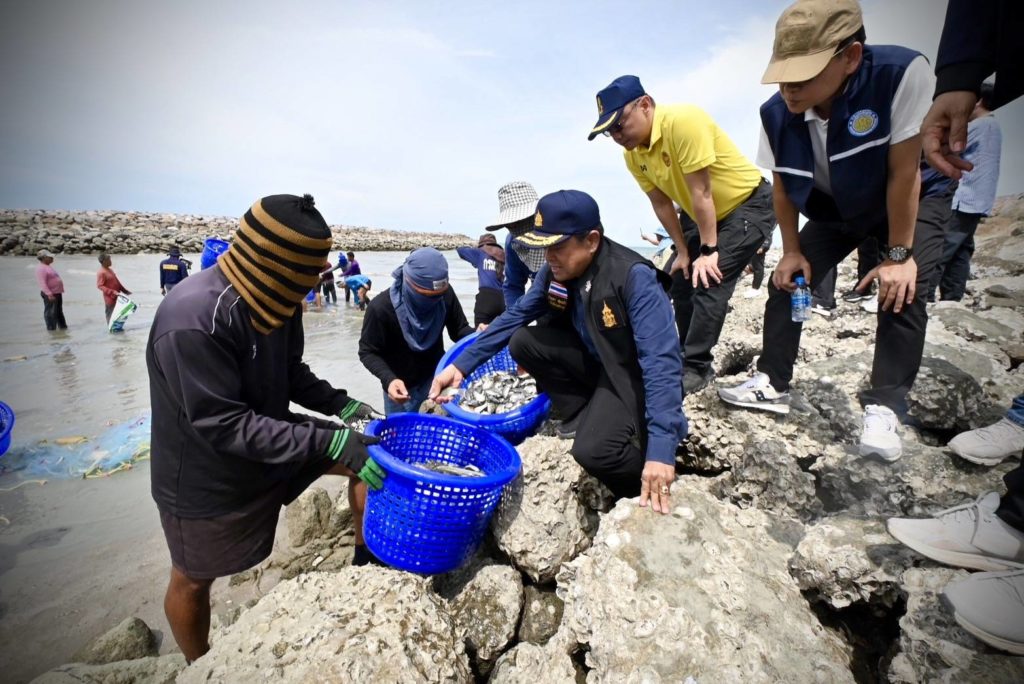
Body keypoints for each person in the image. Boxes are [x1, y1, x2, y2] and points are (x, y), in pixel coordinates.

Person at [147, 193, 385, 662]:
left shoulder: (278, 297)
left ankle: (365, 560)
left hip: (273, 433)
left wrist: (343, 407)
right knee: (192, 578)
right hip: (206, 469)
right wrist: (328, 437)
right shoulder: (192, 319)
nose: (312, 289)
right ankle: (200, 665)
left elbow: (288, 371)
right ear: (276, 268)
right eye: (307, 279)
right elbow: (223, 424)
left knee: (368, 455)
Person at [718, 0, 945, 463]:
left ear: (851, 57)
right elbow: (782, 186)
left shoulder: (899, 74)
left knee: (903, 288)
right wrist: (792, 251)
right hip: (835, 208)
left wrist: (899, 255)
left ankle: (884, 405)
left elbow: (905, 173)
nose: (788, 89)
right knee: (787, 283)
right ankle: (773, 381)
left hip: (902, 198)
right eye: (782, 76)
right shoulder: (775, 113)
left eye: (802, 76)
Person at [430, 190, 687, 511]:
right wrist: (461, 366)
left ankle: (639, 490)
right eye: (544, 247)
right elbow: (516, 315)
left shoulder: (633, 278)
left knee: (593, 451)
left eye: (558, 247)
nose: (549, 257)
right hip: (594, 360)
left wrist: (661, 450)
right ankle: (580, 412)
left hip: (628, 373)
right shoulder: (555, 274)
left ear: (591, 241)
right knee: (523, 340)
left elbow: (662, 363)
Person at [589, 74, 776, 394]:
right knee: (678, 278)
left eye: (619, 125)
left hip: (746, 205)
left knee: (709, 278)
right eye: (609, 132)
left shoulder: (683, 121)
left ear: (645, 105)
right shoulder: (632, 154)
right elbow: (661, 203)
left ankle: (697, 367)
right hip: (699, 214)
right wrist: (683, 252)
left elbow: (701, 192)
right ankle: (685, 356)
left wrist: (707, 252)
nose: (617, 136)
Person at [359, 248, 473, 416]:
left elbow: (459, 331)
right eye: (426, 296)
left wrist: (480, 335)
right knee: (401, 436)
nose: (434, 301)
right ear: (408, 282)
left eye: (438, 295)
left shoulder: (446, 295)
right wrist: (389, 379)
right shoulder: (380, 308)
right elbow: (368, 352)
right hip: (400, 388)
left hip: (437, 378)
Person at [928, 83, 1003, 302]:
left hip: (963, 198)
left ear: (977, 100)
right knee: (961, 249)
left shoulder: (978, 127)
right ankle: (952, 298)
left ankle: (925, 296)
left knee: (941, 248)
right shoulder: (994, 126)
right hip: (978, 200)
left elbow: (945, 149)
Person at [483, 181, 545, 310]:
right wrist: (513, 321)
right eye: (511, 224)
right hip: (543, 308)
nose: (518, 227)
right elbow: (513, 286)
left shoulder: (559, 234)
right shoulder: (513, 243)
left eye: (524, 220)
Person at [457, 234, 506, 327]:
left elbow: (460, 251)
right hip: (504, 300)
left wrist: (476, 248)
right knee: (501, 334)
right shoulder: (503, 255)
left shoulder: (480, 253)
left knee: (480, 335)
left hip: (486, 299)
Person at [35, 249, 67, 331]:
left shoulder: (47, 267)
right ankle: (51, 329)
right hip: (50, 294)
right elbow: (42, 283)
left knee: (58, 312)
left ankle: (62, 328)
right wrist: (49, 294)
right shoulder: (41, 268)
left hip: (57, 293)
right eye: (50, 257)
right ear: (44, 258)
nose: (52, 258)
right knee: (50, 313)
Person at [96, 253, 131, 322]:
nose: (110, 261)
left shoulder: (110, 270)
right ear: (103, 261)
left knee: (119, 317)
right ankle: (111, 331)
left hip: (118, 297)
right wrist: (112, 292)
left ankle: (118, 331)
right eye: (109, 260)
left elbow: (117, 282)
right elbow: (100, 286)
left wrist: (124, 291)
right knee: (111, 317)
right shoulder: (101, 272)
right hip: (110, 299)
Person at [743, 234, 773, 299]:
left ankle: (755, 289)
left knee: (758, 266)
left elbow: (769, 231)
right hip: (753, 243)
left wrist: (763, 246)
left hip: (760, 245)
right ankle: (754, 286)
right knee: (752, 264)